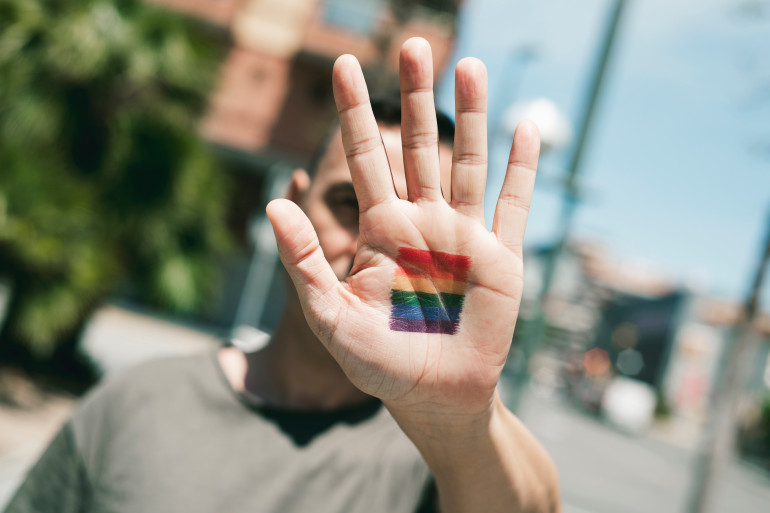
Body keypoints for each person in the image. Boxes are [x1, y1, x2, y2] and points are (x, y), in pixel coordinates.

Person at [5, 38, 560, 513]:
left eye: (416, 236)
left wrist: (453, 415)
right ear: (294, 202)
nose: (376, 247)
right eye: (350, 203)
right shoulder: (139, 401)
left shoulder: (440, 457)